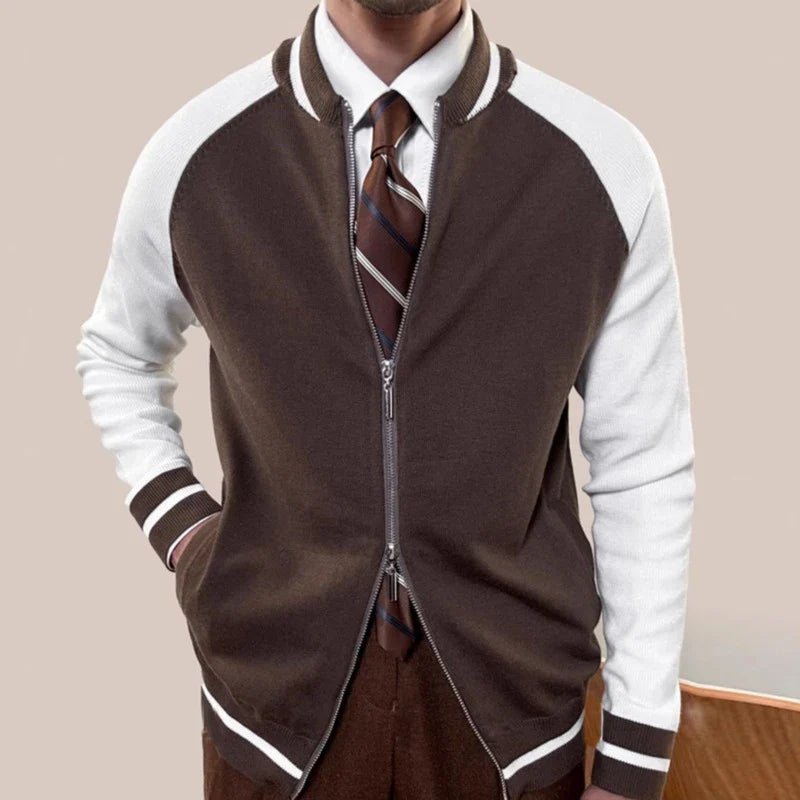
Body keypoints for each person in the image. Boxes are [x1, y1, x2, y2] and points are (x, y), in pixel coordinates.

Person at [75, 1, 695, 799]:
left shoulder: (599, 161)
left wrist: (635, 756)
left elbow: (643, 459)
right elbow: (118, 351)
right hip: (271, 723)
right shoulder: (198, 151)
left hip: (512, 729)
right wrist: (185, 528)